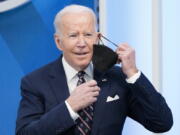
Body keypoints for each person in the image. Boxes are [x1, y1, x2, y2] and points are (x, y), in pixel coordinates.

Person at [15, 4, 173, 135]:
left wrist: (133, 74)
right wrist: (69, 107)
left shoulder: (117, 78)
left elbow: (161, 123)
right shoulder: (35, 82)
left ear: (97, 38)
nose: (82, 43)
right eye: (73, 35)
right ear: (58, 42)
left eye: (88, 34)